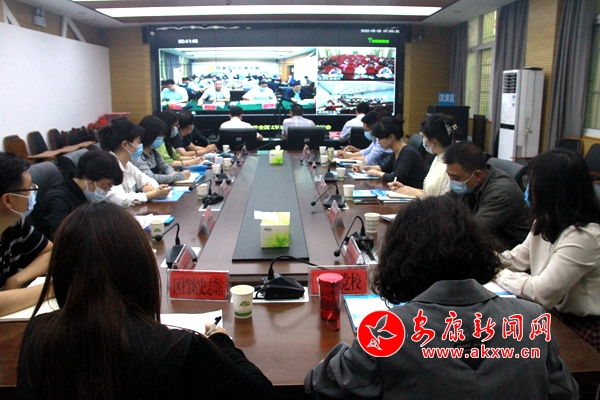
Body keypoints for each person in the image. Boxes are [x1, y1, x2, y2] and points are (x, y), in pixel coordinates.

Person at [305, 196, 579, 399]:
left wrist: (342, 354)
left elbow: (321, 385)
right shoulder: (532, 319)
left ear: (400, 260)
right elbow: (565, 391)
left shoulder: (387, 332)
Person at [17, 202, 275, 399]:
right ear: (139, 269)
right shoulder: (180, 349)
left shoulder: (38, 334)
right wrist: (221, 341)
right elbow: (261, 393)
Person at [494, 148, 600, 351]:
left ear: (550, 189)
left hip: (579, 329)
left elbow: (541, 293)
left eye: (532, 184)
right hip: (551, 315)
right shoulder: (546, 221)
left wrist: (498, 273)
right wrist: (482, 259)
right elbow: (517, 259)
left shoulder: (585, 236)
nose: (527, 189)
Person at [444, 140, 530, 250]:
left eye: (455, 177)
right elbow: (444, 204)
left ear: (477, 175)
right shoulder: (467, 183)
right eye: (449, 175)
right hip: (485, 243)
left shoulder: (501, 192)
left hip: (508, 251)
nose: (452, 181)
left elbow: (471, 230)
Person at [0, 152, 52, 317]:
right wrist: (51, 289)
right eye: (30, 188)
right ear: (8, 200)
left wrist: (17, 280)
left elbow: (50, 252)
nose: (33, 192)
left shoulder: (15, 223)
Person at [30, 150, 123, 240]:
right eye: (107, 186)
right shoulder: (58, 201)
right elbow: (61, 241)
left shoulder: (85, 194)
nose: (106, 191)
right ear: (90, 178)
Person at [99, 118, 171, 207]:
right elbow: (121, 200)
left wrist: (146, 186)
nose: (140, 145)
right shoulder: (109, 167)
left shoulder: (127, 164)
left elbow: (148, 179)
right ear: (125, 144)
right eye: (138, 142)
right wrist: (152, 194)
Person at [388, 113, 454, 198]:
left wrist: (417, 194)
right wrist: (406, 189)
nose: (423, 140)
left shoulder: (450, 164)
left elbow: (443, 200)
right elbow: (430, 192)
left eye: (424, 137)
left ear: (433, 140)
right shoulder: (437, 157)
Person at [352, 116, 427, 187]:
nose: (378, 143)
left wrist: (377, 173)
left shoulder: (408, 152)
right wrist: (364, 168)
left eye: (380, 139)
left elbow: (397, 178)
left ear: (391, 137)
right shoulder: (396, 151)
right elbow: (385, 168)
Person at [133, 115, 190, 184]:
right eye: (159, 136)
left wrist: (172, 173)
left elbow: (166, 166)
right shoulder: (138, 155)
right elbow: (150, 177)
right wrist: (177, 176)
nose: (162, 138)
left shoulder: (153, 152)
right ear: (150, 135)